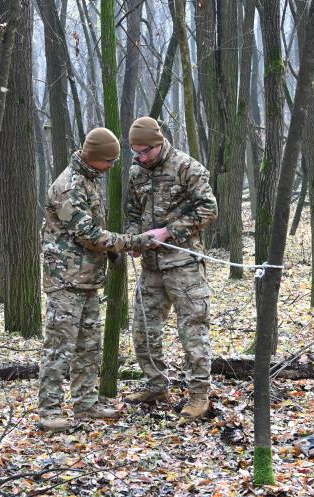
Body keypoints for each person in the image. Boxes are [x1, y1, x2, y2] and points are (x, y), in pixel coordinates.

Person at [39, 127, 157, 432]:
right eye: (110, 161)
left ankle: (86, 403)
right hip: (65, 281)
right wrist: (130, 242)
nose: (113, 167)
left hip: (87, 280)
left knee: (88, 347)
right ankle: (49, 410)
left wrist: (114, 252)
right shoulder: (68, 187)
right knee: (59, 348)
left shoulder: (89, 181)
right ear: (95, 158)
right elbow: (88, 234)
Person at [123, 116, 218, 419]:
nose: (141, 157)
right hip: (151, 267)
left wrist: (168, 232)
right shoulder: (136, 172)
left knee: (193, 330)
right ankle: (155, 384)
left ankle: (199, 395)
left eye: (145, 151)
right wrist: (135, 240)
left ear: (159, 142)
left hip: (184, 264)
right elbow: (132, 212)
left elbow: (208, 209)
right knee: (143, 330)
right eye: (135, 152)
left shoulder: (187, 167)